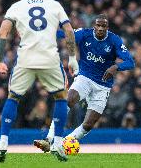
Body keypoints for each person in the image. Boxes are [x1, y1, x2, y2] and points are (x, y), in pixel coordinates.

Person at [0, 0, 79, 162]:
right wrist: (72, 58)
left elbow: (2, 32)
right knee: (60, 96)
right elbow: (69, 31)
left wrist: (0, 60)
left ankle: (3, 142)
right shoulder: (55, 5)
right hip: (49, 57)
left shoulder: (16, 7)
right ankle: (57, 143)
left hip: (25, 58)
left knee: (13, 97)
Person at [34, 14, 135, 152]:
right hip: (85, 78)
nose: (100, 28)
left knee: (88, 124)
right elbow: (64, 34)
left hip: (103, 86)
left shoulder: (114, 40)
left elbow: (130, 62)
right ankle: (48, 139)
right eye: (98, 25)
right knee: (68, 100)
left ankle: (63, 144)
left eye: (103, 26)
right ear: (94, 26)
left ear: (107, 27)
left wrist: (116, 67)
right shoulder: (84, 34)